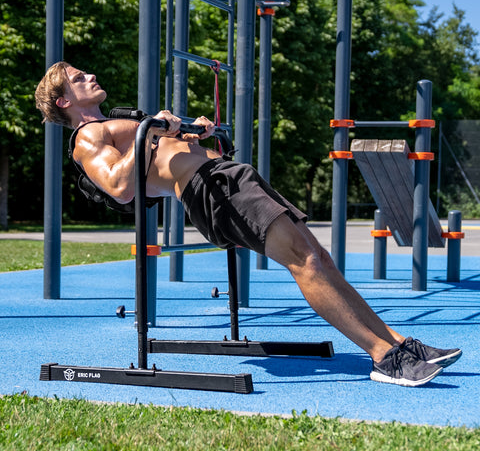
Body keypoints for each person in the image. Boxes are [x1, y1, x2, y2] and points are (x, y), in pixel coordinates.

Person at [35, 61, 462, 387]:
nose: (89, 75)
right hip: (210, 192)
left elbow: (161, 155)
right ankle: (383, 358)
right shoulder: (88, 138)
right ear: (64, 102)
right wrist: (152, 130)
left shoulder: (117, 124)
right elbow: (120, 187)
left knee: (319, 258)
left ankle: (397, 344)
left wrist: (191, 134)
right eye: (77, 77)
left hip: (225, 176)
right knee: (306, 262)